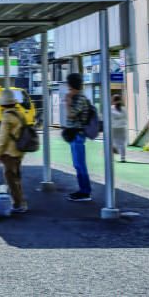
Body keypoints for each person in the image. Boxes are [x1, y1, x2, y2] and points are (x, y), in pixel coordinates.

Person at [0, 89, 28, 214]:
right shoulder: (19, 114)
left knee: (10, 178)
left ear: (3, 104)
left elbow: (3, 138)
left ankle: (18, 204)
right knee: (17, 177)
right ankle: (22, 202)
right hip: (19, 151)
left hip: (9, 152)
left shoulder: (7, 116)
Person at [65, 73, 93, 202]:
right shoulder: (79, 97)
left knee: (79, 164)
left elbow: (71, 115)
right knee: (78, 164)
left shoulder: (79, 98)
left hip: (78, 134)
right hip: (76, 135)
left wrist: (68, 102)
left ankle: (85, 192)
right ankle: (83, 190)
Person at [110, 94, 128, 163]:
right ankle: (123, 157)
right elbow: (126, 118)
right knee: (122, 143)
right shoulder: (124, 109)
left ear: (113, 101)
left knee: (114, 142)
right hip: (122, 127)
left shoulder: (111, 108)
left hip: (114, 128)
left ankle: (114, 152)